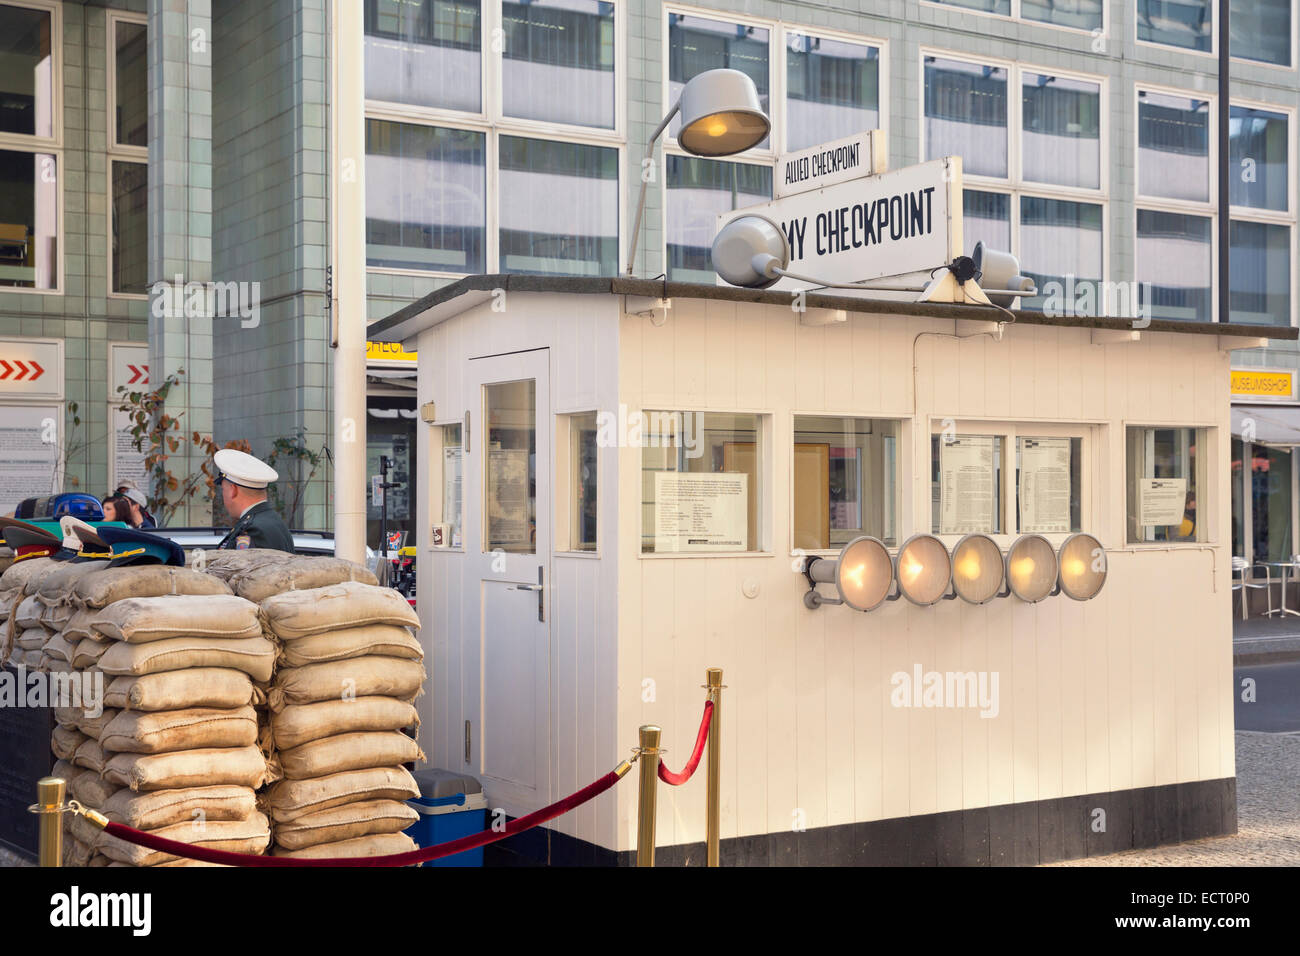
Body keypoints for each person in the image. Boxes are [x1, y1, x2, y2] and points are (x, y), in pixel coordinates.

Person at [214, 448, 295, 552]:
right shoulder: (273, 521)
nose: (223, 495)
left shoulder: (253, 531)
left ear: (233, 491)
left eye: (224, 489)